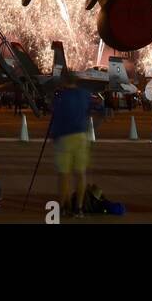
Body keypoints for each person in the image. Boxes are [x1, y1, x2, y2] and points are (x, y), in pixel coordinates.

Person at [49, 70, 92, 217]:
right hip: (81, 136)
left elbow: (55, 115)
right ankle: (78, 208)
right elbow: (97, 109)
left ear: (63, 81)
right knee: (80, 174)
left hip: (64, 138)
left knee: (64, 175)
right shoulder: (85, 94)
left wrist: (53, 135)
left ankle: (63, 207)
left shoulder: (60, 97)